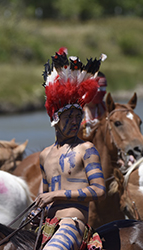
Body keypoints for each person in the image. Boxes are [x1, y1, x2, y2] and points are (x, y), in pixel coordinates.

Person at [32, 48, 106, 250]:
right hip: (46, 227)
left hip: (72, 224)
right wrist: (35, 212)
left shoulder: (86, 149)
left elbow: (99, 190)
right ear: (55, 120)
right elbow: (43, 195)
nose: (75, 122)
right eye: (69, 117)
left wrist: (57, 195)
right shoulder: (45, 154)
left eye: (78, 116)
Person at [80, 72, 107, 139]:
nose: (101, 91)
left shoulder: (106, 108)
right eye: (99, 88)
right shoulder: (77, 108)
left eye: (104, 88)